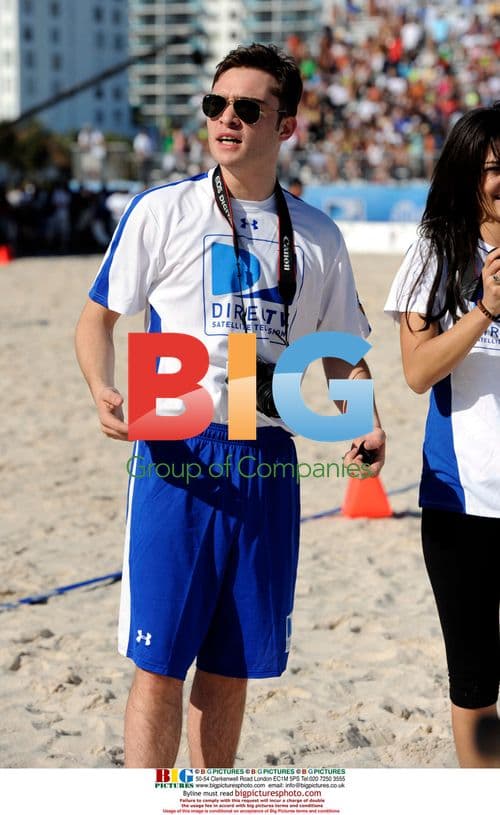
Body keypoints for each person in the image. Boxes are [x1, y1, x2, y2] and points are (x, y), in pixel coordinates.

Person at [75, 43, 386, 769]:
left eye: (249, 108)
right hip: (175, 448)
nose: (227, 118)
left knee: (234, 663)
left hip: (268, 453)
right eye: (217, 104)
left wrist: (365, 417)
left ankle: (209, 794)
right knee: (158, 659)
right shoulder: (162, 209)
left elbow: (340, 347)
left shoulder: (316, 233)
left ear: (287, 127)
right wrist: (101, 386)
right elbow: (97, 319)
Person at [384, 103, 500, 767]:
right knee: (476, 683)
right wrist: (485, 309)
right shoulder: (436, 248)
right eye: (494, 168)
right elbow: (418, 371)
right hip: (463, 502)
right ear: (465, 173)